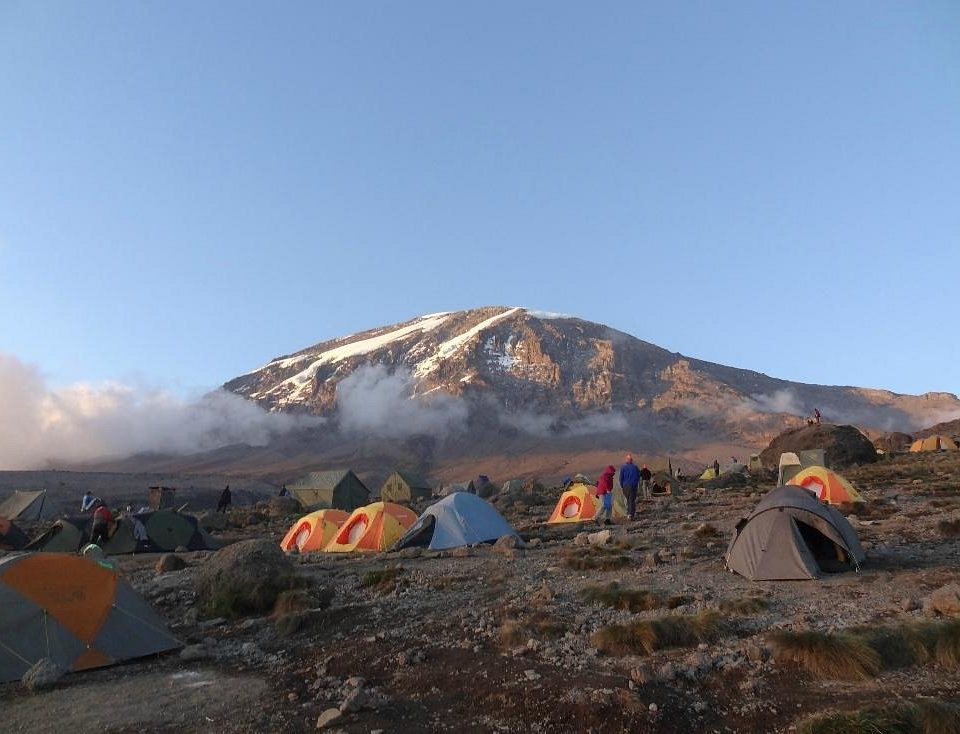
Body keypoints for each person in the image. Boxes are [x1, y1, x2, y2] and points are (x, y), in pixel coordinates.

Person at [619, 454, 641, 520]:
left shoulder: (623, 467)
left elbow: (621, 478)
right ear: (631, 460)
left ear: (627, 460)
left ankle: (629, 513)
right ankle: (631, 514)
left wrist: (622, 486)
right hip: (633, 486)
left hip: (625, 486)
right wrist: (636, 483)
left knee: (628, 500)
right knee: (632, 500)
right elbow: (638, 476)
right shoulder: (635, 467)